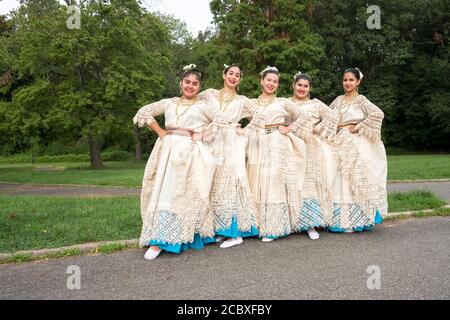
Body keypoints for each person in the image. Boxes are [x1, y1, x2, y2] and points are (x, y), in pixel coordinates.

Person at [133, 64, 230, 260]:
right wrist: (160, 131)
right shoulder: (168, 102)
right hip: (167, 149)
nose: (190, 86)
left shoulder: (203, 106)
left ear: (199, 87)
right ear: (180, 83)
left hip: (188, 152)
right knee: (164, 190)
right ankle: (158, 238)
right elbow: (144, 111)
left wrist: (202, 134)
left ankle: (180, 235)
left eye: (195, 84)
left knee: (183, 193)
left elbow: (221, 120)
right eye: (187, 82)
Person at [245, 66, 313, 242]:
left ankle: (274, 228)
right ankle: (256, 225)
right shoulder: (251, 103)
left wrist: (289, 128)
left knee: (273, 183)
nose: (271, 84)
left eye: (275, 82)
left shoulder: (282, 102)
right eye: (268, 80)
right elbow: (232, 116)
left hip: (276, 142)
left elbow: (304, 116)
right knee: (257, 183)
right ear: (262, 81)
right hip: (257, 144)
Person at [198, 64, 258, 249]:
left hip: (231, 143)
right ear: (224, 75)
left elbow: (260, 116)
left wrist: (243, 129)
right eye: (230, 73)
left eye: (237, 75)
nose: (233, 77)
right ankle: (220, 229)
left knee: (230, 184)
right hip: (211, 141)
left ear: (240, 80)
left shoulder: (242, 100)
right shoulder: (208, 94)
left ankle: (235, 233)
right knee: (213, 184)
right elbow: (192, 103)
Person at [328, 67, 387, 232]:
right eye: (345, 80)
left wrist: (359, 126)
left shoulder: (361, 100)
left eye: (351, 80)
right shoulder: (338, 100)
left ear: (358, 82)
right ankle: (340, 220)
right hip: (339, 140)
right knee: (340, 180)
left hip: (355, 143)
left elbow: (377, 114)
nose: (347, 83)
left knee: (353, 180)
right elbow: (327, 115)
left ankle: (356, 220)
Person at [289, 71, 338, 240]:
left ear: (309, 88)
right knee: (294, 183)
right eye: (299, 85)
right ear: (293, 85)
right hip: (291, 147)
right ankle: (293, 222)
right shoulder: (286, 103)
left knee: (309, 183)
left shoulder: (316, 104)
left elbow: (333, 115)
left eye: (305, 86)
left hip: (310, 147)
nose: (302, 88)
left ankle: (310, 224)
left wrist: (318, 129)